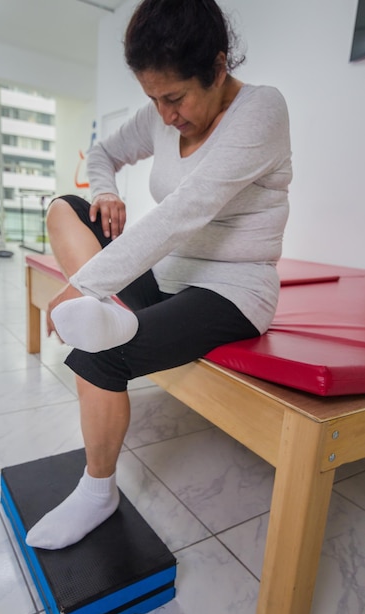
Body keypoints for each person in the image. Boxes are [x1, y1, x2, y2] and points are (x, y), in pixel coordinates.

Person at [26, 0, 292, 550]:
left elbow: (182, 214)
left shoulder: (262, 110)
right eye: (154, 99)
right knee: (65, 207)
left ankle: (98, 493)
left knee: (98, 354)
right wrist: (104, 192)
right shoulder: (160, 113)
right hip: (164, 277)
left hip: (231, 292)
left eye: (174, 98)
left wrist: (85, 284)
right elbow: (101, 152)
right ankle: (105, 315)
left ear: (217, 69)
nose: (165, 115)